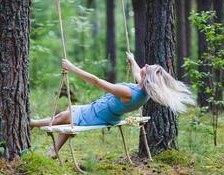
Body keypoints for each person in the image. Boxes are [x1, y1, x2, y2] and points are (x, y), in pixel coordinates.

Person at [30, 52, 195, 157]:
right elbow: (138, 72)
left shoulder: (129, 92)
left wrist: (72, 68)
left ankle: (32, 124)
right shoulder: (143, 91)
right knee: (68, 116)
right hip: (106, 113)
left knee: (64, 117)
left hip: (99, 114)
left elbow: (96, 81)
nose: (144, 65)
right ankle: (53, 150)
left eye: (147, 67)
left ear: (147, 78)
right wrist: (132, 60)